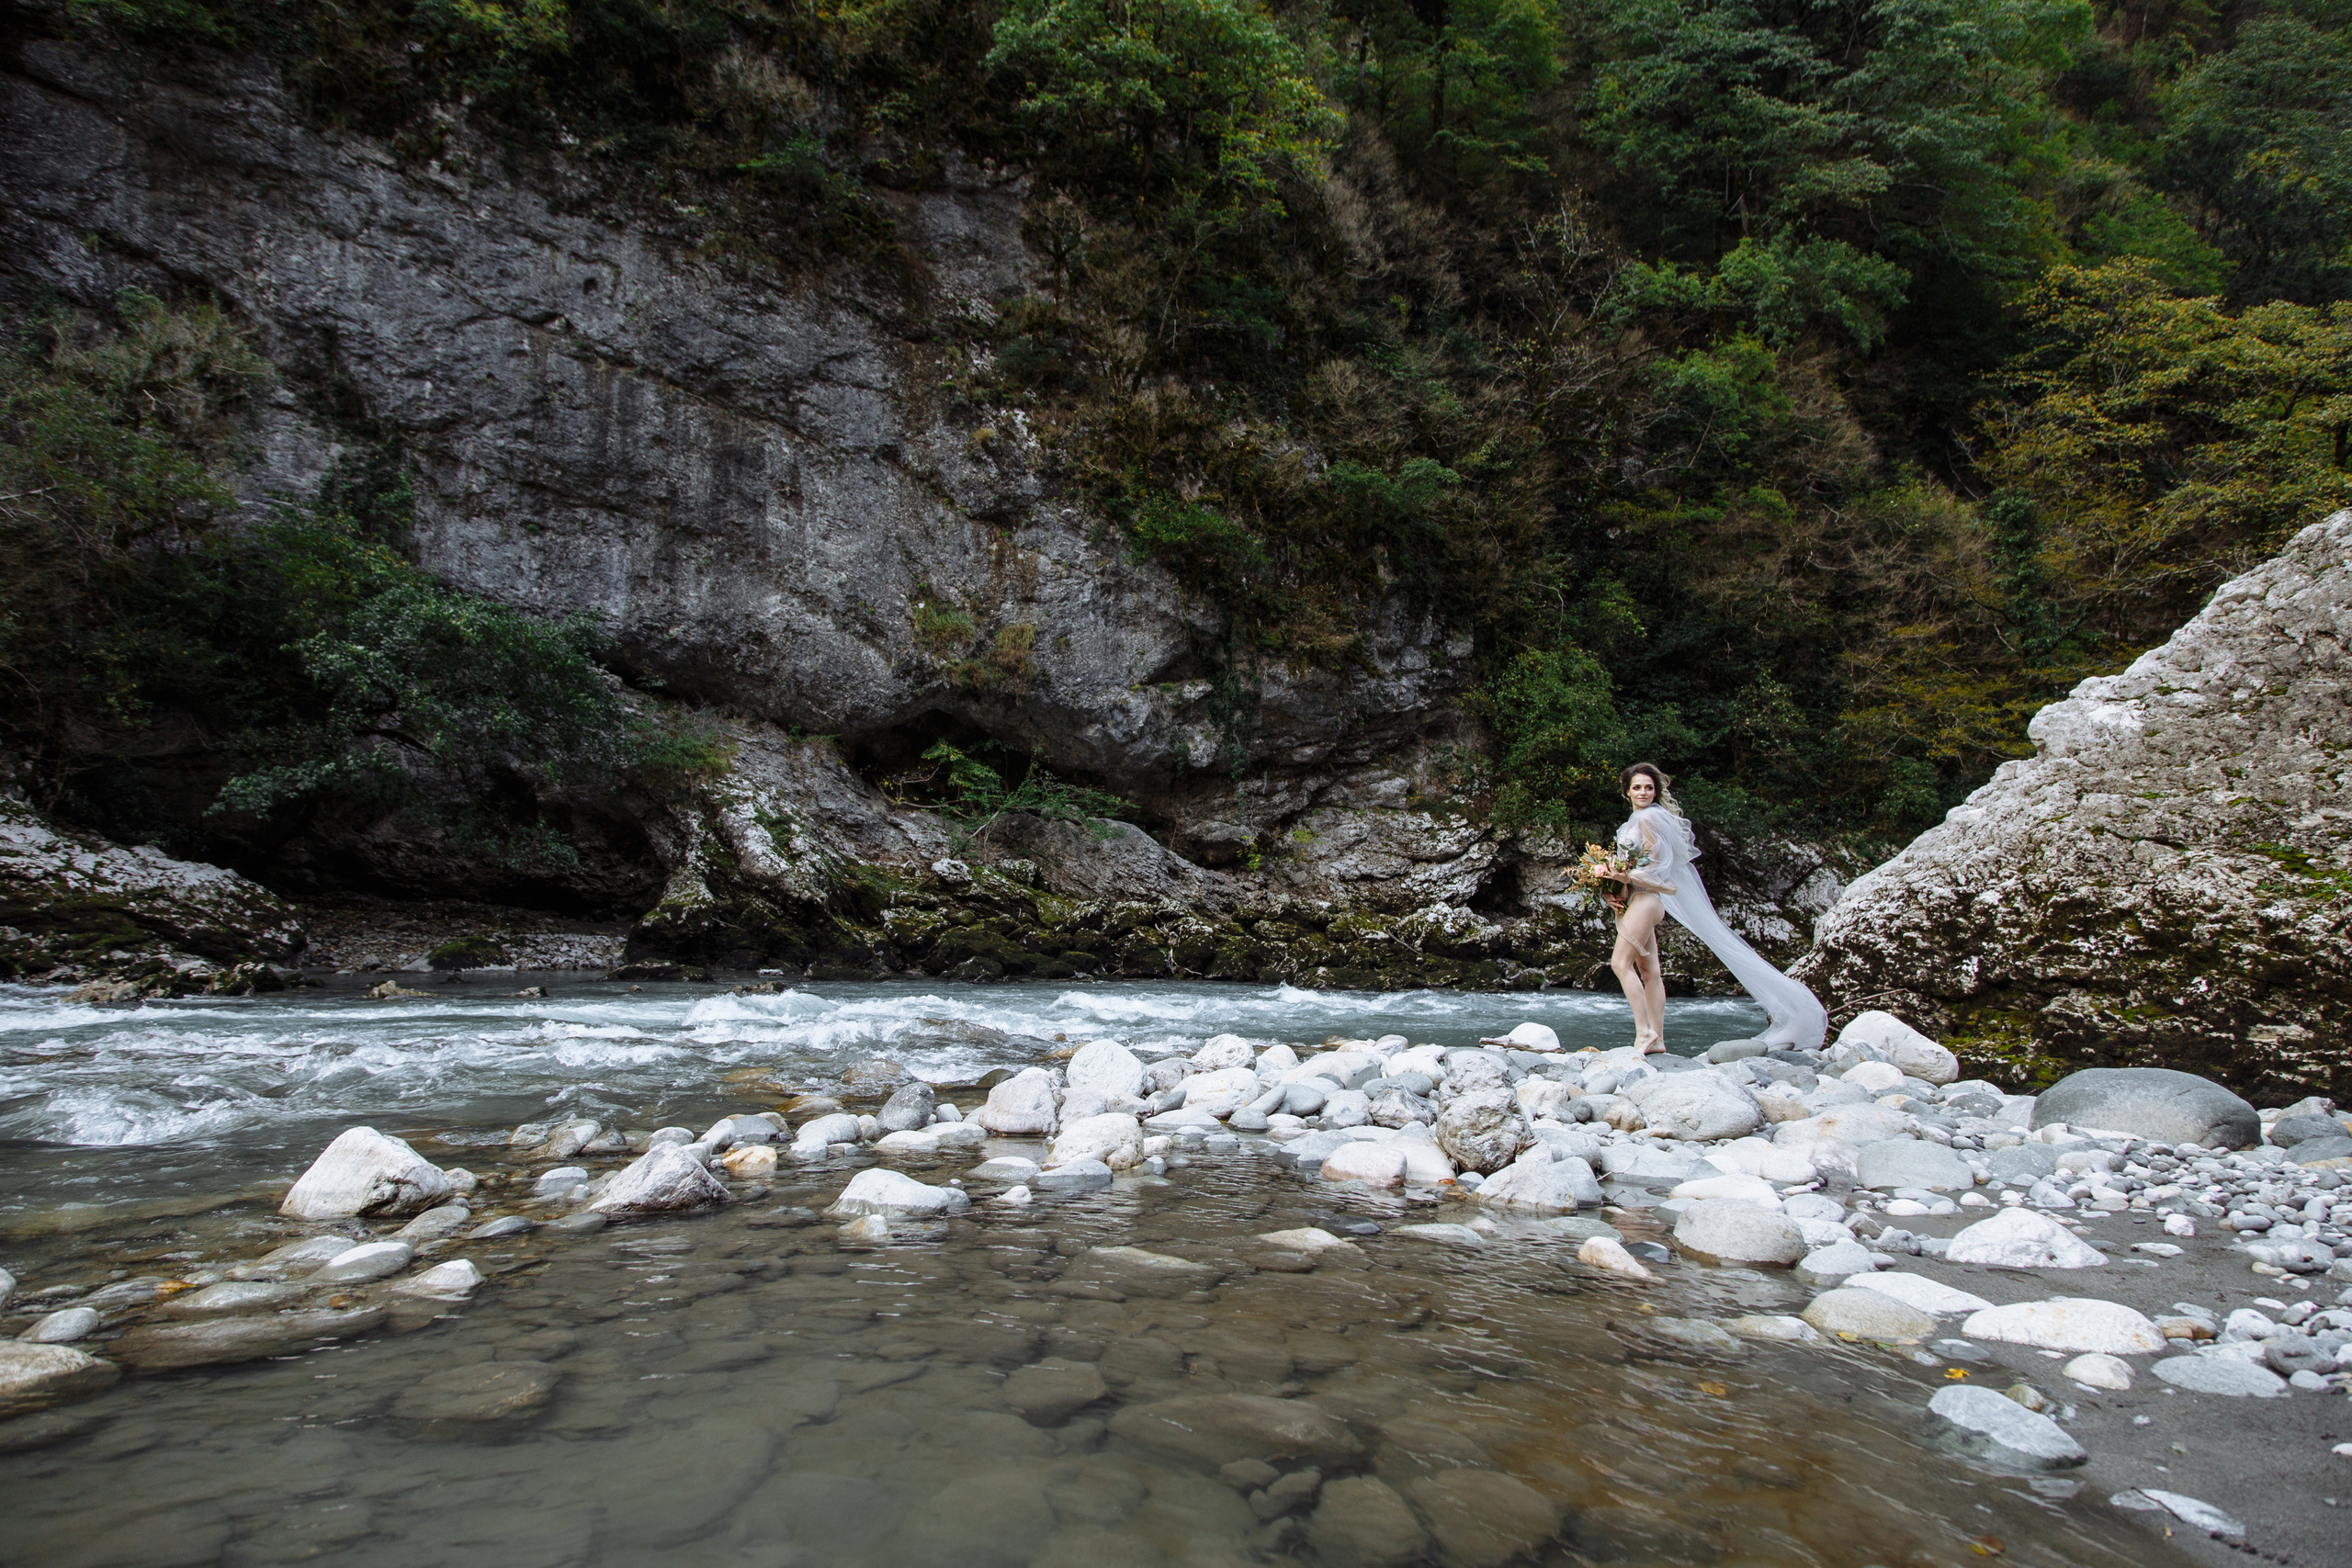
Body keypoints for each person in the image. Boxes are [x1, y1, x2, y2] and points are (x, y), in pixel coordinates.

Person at [1579, 762, 1828, 1055]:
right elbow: (1633, 869)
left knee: (1620, 964)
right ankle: (1657, 1040)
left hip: (1648, 901)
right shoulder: (1632, 823)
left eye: (1649, 787)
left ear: (1656, 791)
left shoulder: (1650, 819)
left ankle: (1644, 1033)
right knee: (1650, 972)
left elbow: (1663, 877)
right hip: (1637, 900)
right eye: (1637, 787)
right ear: (1626, 792)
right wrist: (1612, 891)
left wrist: (1626, 877)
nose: (1643, 792)